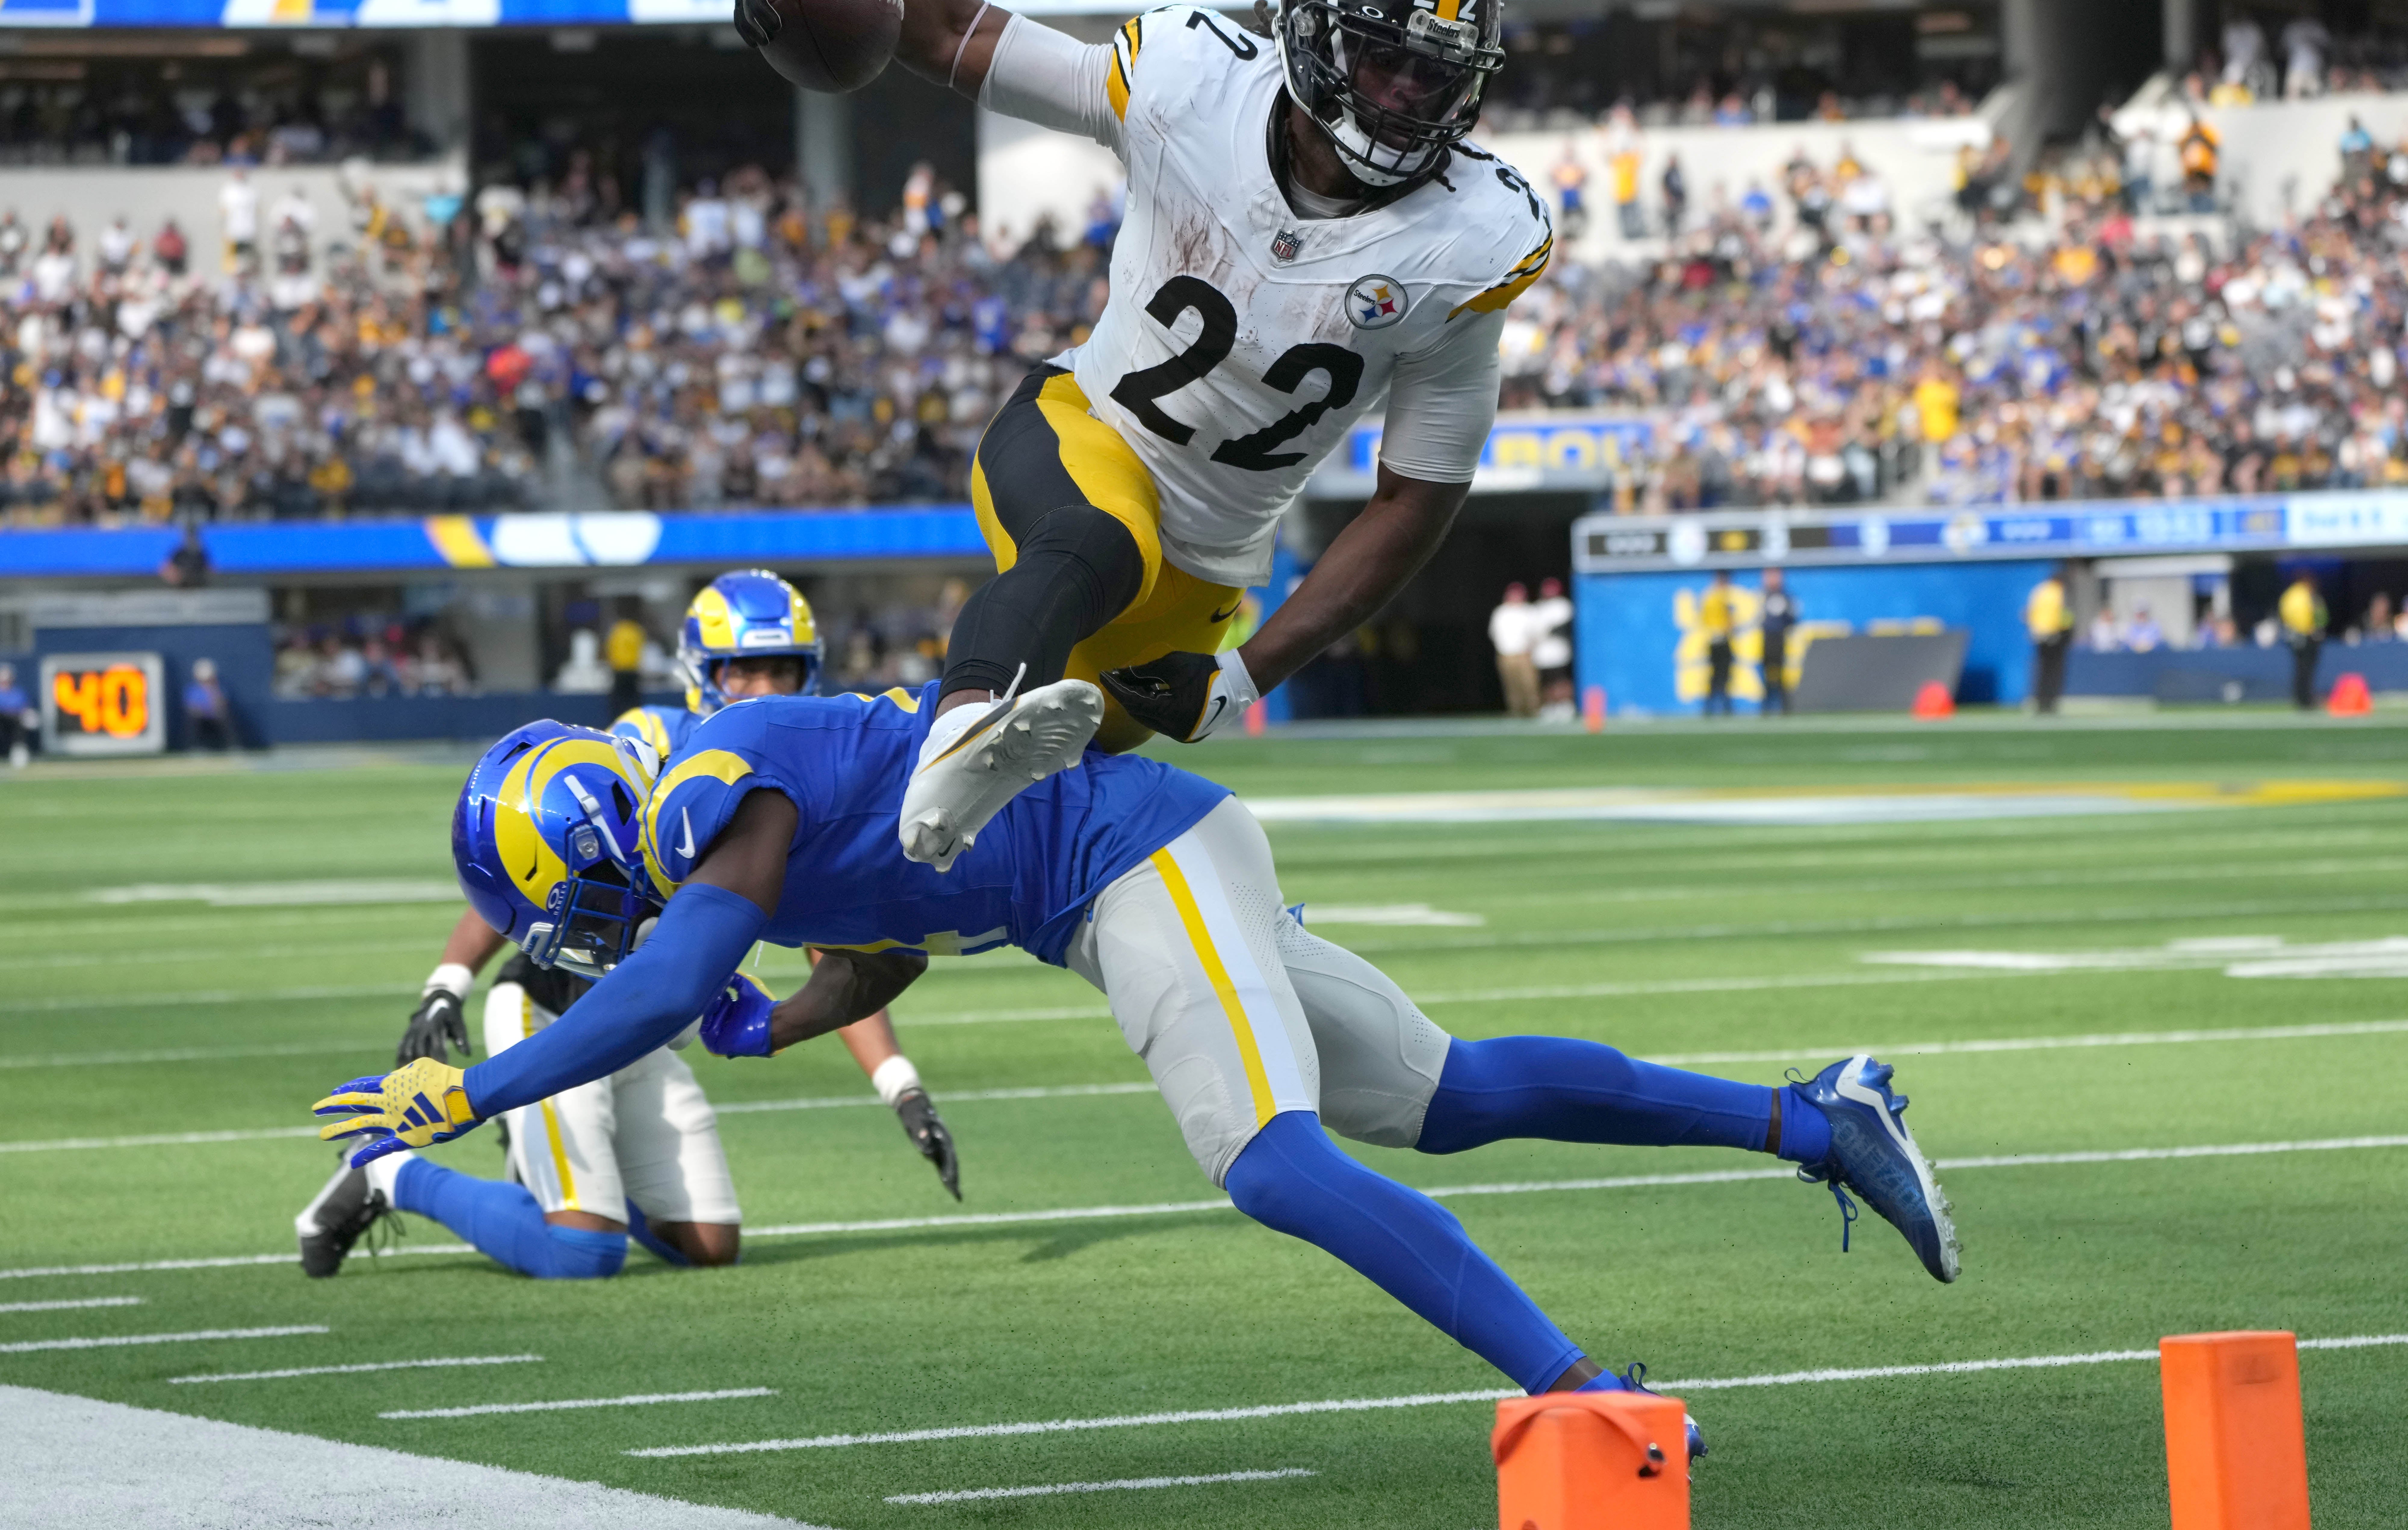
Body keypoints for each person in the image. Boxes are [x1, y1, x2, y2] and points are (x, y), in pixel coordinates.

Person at [314, 695, 1960, 1451]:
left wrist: (468, 1094)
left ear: (591, 834)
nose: (581, 933)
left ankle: (1577, 1389)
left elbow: (672, 975)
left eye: (566, 900)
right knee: (1448, 1096)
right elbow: (889, 940)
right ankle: (1813, 1120)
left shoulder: (707, 787)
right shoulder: (732, 801)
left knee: (1270, 1160)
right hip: (1145, 863)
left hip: (1128, 867)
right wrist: (789, 1023)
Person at [733, 0, 1550, 869]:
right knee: (1096, 541)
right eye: (1384, 59)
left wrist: (1245, 675)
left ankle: (832, 882)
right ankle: (962, 722)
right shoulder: (1191, 82)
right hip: (1081, 433)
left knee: (1011, 827)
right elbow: (961, 31)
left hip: (1200, 581)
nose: (1408, 93)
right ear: (1309, 34)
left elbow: (1415, 497)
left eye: (1435, 72)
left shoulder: (1475, 240)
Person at [296, 570, 959, 1281]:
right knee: (583, 1249)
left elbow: (847, 948)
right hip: (561, 1007)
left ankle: (557, 1172)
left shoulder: (812, 772)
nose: (763, 688)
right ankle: (390, 1176)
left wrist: (901, 1087)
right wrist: (447, 984)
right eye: (742, 670)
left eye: (782, 669)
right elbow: (537, 869)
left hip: (649, 1029)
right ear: (702, 672)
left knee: (709, 1244)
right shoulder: (651, 742)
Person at [2026, 566, 2074, 713]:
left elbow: (2030, 612)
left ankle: (2040, 702)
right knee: (2054, 671)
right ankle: (2051, 703)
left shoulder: (2040, 590)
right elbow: (2063, 615)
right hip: (2055, 635)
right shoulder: (2058, 592)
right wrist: (2067, 631)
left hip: (2039, 635)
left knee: (2043, 670)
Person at [1488, 582, 1540, 718]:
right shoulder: (1501, 612)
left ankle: (1534, 710)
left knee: (1529, 683)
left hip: (1524, 654)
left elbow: (1537, 632)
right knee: (1511, 684)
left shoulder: (1529, 611)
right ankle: (1516, 711)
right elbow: (1494, 633)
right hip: (1506, 654)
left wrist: (1530, 647)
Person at [2279, 569, 2326, 710]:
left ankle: (2300, 698)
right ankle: (2306, 699)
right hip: (2307, 636)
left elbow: (2284, 615)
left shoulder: (2289, 595)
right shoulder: (2307, 595)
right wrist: (2312, 629)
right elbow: (2316, 615)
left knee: (2300, 669)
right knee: (2306, 670)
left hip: (2293, 636)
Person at [1531, 576, 1574, 718]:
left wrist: (1550, 631)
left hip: (1558, 651)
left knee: (1561, 680)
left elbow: (1565, 627)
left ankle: (1565, 705)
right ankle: (1550, 706)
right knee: (1547, 682)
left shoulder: (1563, 605)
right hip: (1542, 653)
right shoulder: (1538, 608)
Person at [1758, 568, 1796, 716]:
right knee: (1766, 675)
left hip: (1780, 639)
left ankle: (1785, 708)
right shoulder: (1761, 596)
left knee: (1781, 675)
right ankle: (1766, 708)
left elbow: (1792, 619)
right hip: (1766, 639)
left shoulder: (1786, 597)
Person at [1700, 569, 1736, 716]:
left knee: (1716, 676)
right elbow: (1728, 622)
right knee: (1722, 676)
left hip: (1713, 641)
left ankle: (1711, 708)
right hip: (1721, 641)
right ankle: (1723, 707)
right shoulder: (1719, 597)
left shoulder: (1708, 596)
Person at [604, 609, 647, 717]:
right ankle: (635, 719)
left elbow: (610, 649)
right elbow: (641, 649)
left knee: (618, 702)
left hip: (619, 671)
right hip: (632, 671)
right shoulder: (636, 630)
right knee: (633, 701)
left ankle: (618, 720)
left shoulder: (617, 630)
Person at [184, 658, 230, 752]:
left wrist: (213, 692)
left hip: (216, 718)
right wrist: (202, 712)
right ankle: (195, 748)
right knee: (193, 721)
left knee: (227, 718)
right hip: (201, 719)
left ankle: (232, 746)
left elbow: (222, 705)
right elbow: (192, 708)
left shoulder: (218, 689)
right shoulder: (193, 690)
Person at [0, 663, 29, 769]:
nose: (5, 682)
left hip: (16, 721)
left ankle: (19, 754)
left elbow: (24, 708)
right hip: (2, 720)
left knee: (22, 723)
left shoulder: (18, 693)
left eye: (7, 680)